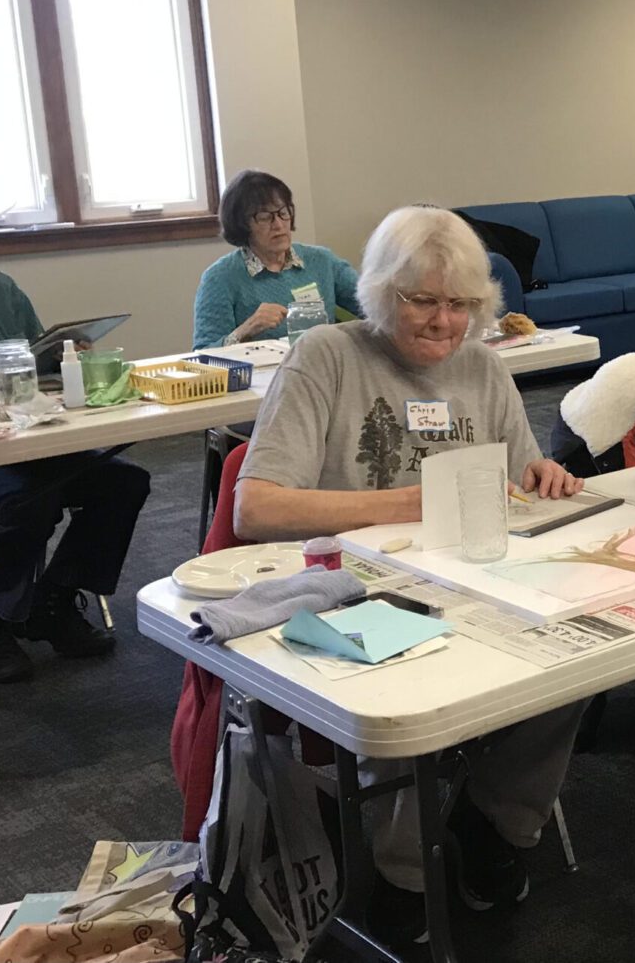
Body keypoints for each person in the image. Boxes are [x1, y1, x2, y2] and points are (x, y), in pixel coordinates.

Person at [234, 205, 585, 935]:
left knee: (575, 652)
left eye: (461, 304)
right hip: (351, 591)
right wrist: (410, 501)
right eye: (422, 300)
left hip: (474, 578)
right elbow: (256, 509)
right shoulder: (328, 356)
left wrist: (543, 474)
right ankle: (403, 866)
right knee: (420, 672)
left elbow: (519, 474)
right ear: (382, 293)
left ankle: (499, 827)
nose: (443, 321)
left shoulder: (483, 366)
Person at [0, 203, 146, 684]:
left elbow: (38, 366)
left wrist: (63, 356)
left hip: (28, 436)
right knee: (26, 500)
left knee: (122, 484)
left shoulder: (0, 292)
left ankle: (51, 600)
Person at [192, 169, 360, 349]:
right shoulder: (220, 278)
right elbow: (203, 354)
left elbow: (375, 305)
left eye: (283, 213)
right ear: (242, 224)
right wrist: (246, 329)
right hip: (260, 374)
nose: (278, 225)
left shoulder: (322, 261)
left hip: (322, 369)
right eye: (265, 217)